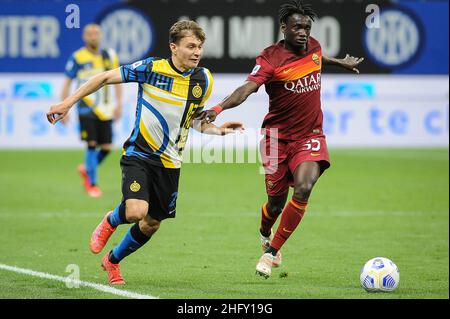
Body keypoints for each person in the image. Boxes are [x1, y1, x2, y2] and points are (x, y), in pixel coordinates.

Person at [47, 20, 243, 285]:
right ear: (173, 47)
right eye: (191, 46)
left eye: (200, 47)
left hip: (171, 162)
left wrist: (217, 130)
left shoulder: (203, 79)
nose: (197, 52)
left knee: (152, 223)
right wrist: (68, 102)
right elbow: (104, 78)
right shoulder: (151, 68)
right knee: (136, 211)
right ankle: (111, 220)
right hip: (139, 154)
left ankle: (112, 261)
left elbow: (193, 120)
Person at [197, 0, 364, 278]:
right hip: (276, 139)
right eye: (297, 27)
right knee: (275, 203)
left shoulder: (314, 47)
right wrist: (217, 108)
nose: (303, 32)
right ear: (283, 27)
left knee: (304, 187)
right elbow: (247, 89)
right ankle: (265, 231)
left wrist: (339, 63)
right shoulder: (270, 58)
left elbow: (316, 59)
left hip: (310, 135)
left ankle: (271, 252)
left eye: (307, 28)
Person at [62, 23, 122, 198]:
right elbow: (67, 82)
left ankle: (87, 168)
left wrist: (118, 104)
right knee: (91, 144)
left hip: (105, 109)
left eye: (96, 33)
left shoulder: (109, 56)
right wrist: (65, 105)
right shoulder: (78, 57)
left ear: (101, 35)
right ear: (84, 37)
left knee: (107, 147)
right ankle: (92, 184)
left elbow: (118, 79)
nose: (93, 36)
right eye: (89, 34)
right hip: (86, 107)